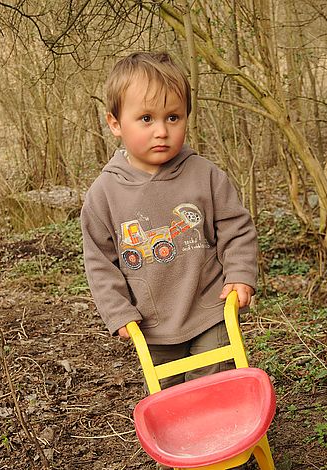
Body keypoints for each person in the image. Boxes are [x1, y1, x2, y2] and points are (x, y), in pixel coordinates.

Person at [80, 50, 258, 410]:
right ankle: (182, 452)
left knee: (213, 386)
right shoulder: (105, 194)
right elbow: (100, 261)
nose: (161, 131)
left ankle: (219, 450)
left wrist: (240, 274)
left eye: (173, 117)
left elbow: (236, 227)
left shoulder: (205, 175)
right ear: (115, 123)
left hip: (210, 307)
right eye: (146, 118)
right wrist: (118, 311)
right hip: (152, 321)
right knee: (171, 397)